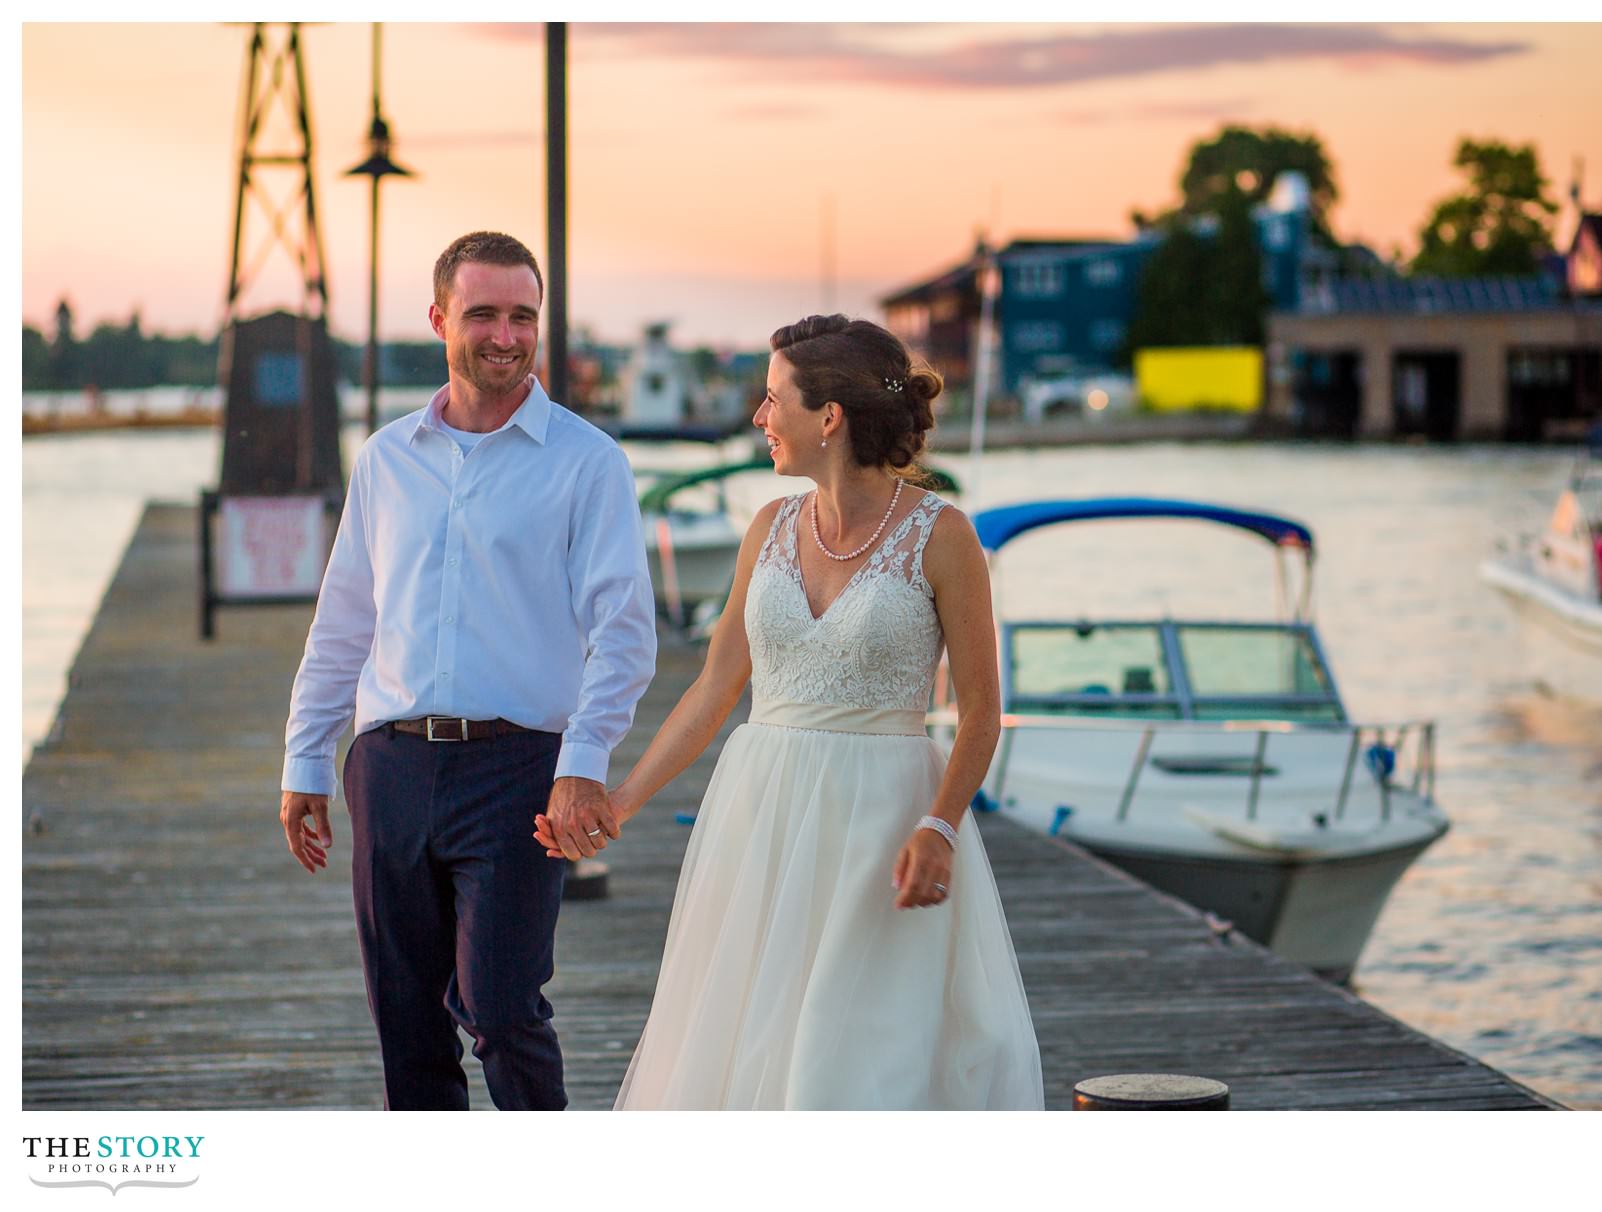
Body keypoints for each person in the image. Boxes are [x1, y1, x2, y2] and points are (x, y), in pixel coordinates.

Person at [536, 315, 1044, 1109]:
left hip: (882, 826)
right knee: (747, 1039)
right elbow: (714, 688)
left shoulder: (943, 536)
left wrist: (941, 827)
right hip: (760, 815)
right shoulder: (768, 529)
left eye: (773, 401)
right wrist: (624, 799)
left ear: (828, 418)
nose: (758, 418)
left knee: (855, 1057)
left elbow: (981, 712)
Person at [279, 231, 657, 1110]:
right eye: (483, 313)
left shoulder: (587, 462)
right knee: (405, 1021)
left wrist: (583, 765)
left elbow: (626, 635)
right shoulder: (386, 460)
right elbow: (342, 626)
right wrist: (306, 761)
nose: (506, 334)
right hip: (392, 765)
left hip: (521, 770)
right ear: (439, 318)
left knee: (500, 1006)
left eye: (523, 315)